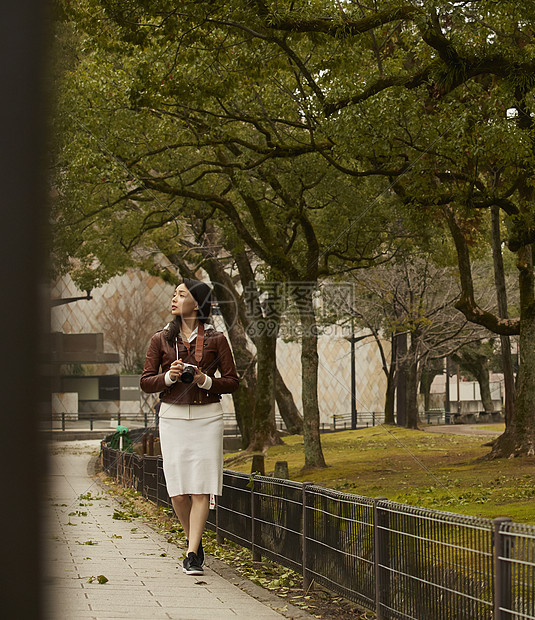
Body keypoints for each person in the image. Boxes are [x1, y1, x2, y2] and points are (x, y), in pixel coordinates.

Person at [140, 278, 239, 576]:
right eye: (173, 294)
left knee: (200, 490)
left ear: (196, 303)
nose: (173, 298)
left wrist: (204, 380)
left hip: (207, 417)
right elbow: (146, 381)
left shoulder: (217, 338)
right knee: (179, 493)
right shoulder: (161, 339)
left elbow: (232, 381)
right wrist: (169, 377)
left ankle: (192, 554)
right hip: (172, 417)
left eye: (181, 294)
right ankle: (193, 541)